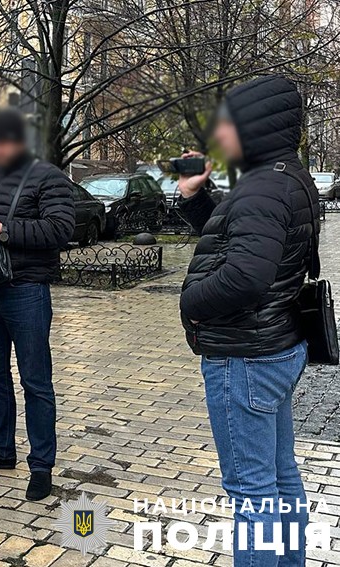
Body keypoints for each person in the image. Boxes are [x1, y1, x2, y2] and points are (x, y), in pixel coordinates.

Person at [177, 75, 317, 566]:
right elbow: (239, 240)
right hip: (274, 346)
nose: (218, 135)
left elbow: (244, 277)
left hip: (245, 355)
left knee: (251, 491)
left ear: (253, 125)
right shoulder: (284, 177)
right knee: (280, 476)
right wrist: (195, 197)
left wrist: (190, 302)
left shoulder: (262, 188)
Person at [0, 109, 75, 501]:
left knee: (35, 381)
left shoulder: (48, 176)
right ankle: (1, 449)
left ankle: (41, 465)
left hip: (27, 290)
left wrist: (4, 231)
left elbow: (61, 229)